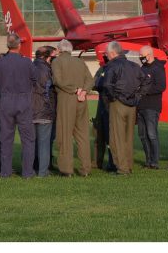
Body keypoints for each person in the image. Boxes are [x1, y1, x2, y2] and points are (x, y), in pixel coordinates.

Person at [0, 33, 38, 179]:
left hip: (6, 100)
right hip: (23, 99)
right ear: (20, 45)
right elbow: (35, 79)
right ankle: (27, 172)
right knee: (27, 138)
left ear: (7, 46)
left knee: (6, 138)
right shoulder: (27, 62)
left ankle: (5, 172)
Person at [52, 40, 94, 177]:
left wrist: (75, 90)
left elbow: (58, 80)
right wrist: (84, 92)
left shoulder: (57, 62)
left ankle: (66, 170)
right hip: (82, 100)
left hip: (66, 99)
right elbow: (90, 80)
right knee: (83, 136)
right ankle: (85, 169)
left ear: (58, 50)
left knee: (64, 135)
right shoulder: (80, 62)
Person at [103, 41, 146, 176]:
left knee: (117, 138)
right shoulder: (134, 65)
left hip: (118, 104)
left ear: (112, 53)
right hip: (132, 105)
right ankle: (128, 165)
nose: (106, 56)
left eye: (106, 53)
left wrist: (113, 97)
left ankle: (122, 169)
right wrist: (137, 96)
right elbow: (146, 81)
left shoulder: (113, 66)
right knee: (128, 137)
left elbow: (107, 84)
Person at [137, 46, 166, 170]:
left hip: (152, 107)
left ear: (149, 55)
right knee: (142, 136)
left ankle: (155, 163)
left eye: (141, 55)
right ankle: (148, 161)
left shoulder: (158, 69)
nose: (140, 57)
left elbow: (161, 87)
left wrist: (144, 91)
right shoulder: (142, 68)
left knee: (152, 135)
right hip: (140, 106)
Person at [31, 46, 56, 177]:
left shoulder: (28, 68)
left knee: (31, 142)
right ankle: (43, 172)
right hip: (45, 111)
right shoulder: (48, 70)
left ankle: (31, 168)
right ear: (48, 57)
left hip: (29, 111)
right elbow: (50, 92)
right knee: (44, 143)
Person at [92, 56, 114, 171]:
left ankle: (113, 162)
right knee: (98, 135)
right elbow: (94, 83)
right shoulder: (102, 69)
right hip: (101, 105)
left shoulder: (115, 68)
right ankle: (97, 162)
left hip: (111, 105)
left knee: (112, 137)